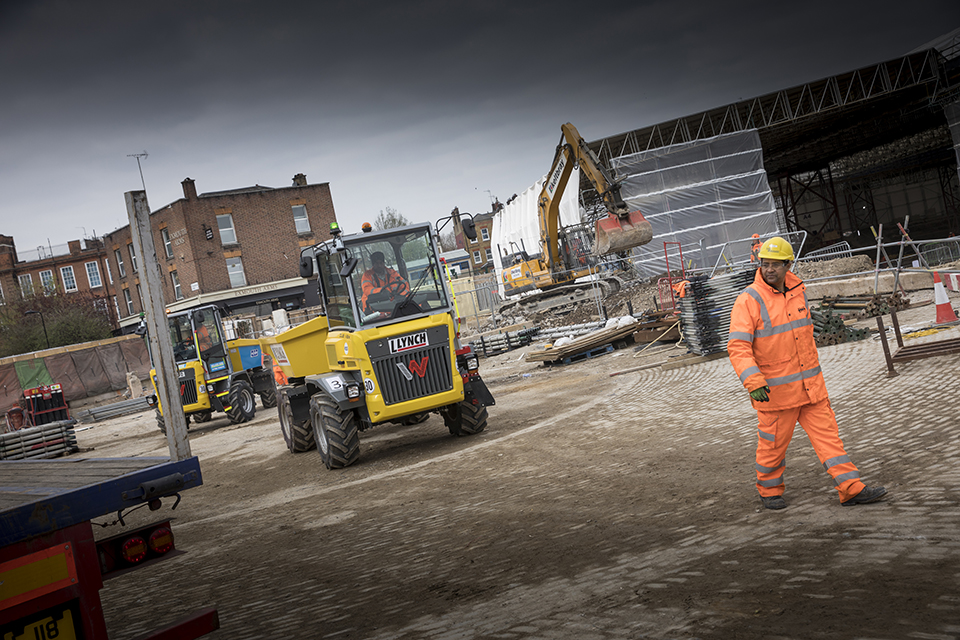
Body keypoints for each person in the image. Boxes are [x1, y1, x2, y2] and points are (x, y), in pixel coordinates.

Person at [727, 236, 887, 510]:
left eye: (776, 265)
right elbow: (738, 346)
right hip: (776, 395)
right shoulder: (748, 300)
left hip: (811, 388)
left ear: (788, 265)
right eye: (765, 264)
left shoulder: (798, 291)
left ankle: (850, 488)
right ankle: (769, 491)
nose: (769, 270)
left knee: (830, 440)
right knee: (772, 447)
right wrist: (753, 381)